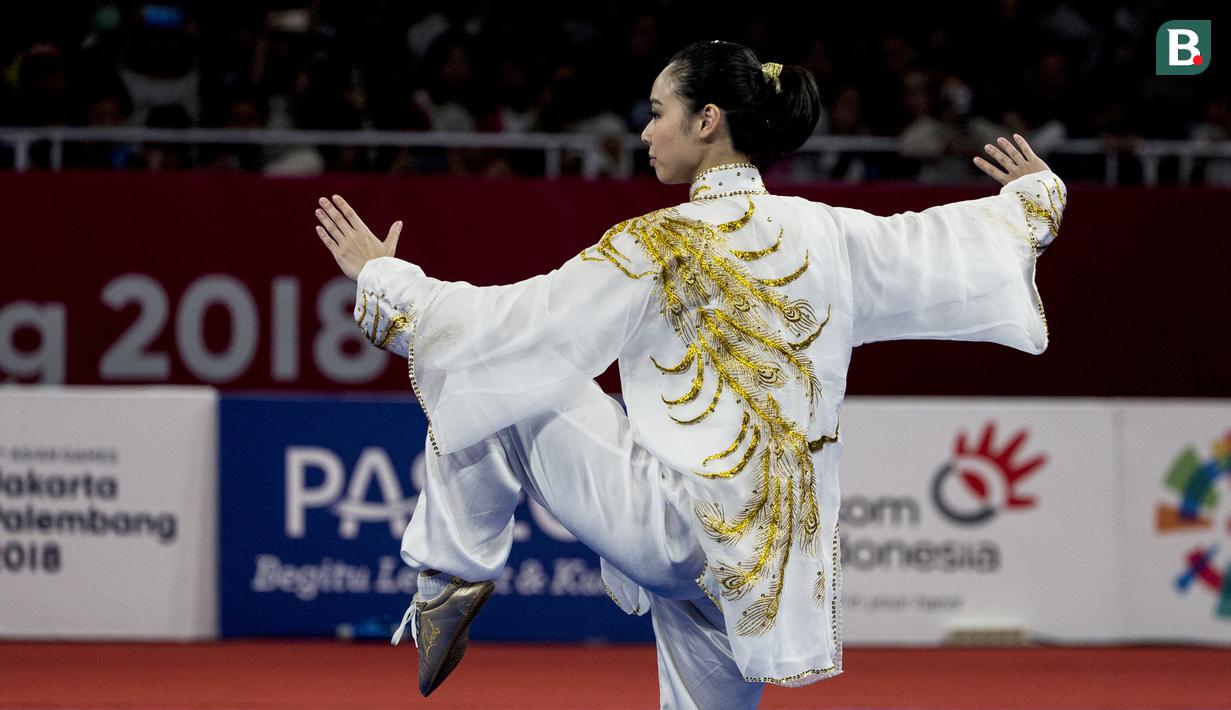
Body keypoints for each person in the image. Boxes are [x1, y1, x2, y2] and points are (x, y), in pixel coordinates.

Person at [313, 40, 1067, 709]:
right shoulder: (832, 233)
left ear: (706, 120)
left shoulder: (657, 243)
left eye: (657, 110)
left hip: (671, 526)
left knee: (501, 377)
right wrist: (1033, 197)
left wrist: (385, 277)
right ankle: (450, 575)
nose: (644, 131)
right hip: (762, 565)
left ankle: (448, 574)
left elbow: (513, 326)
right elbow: (943, 243)